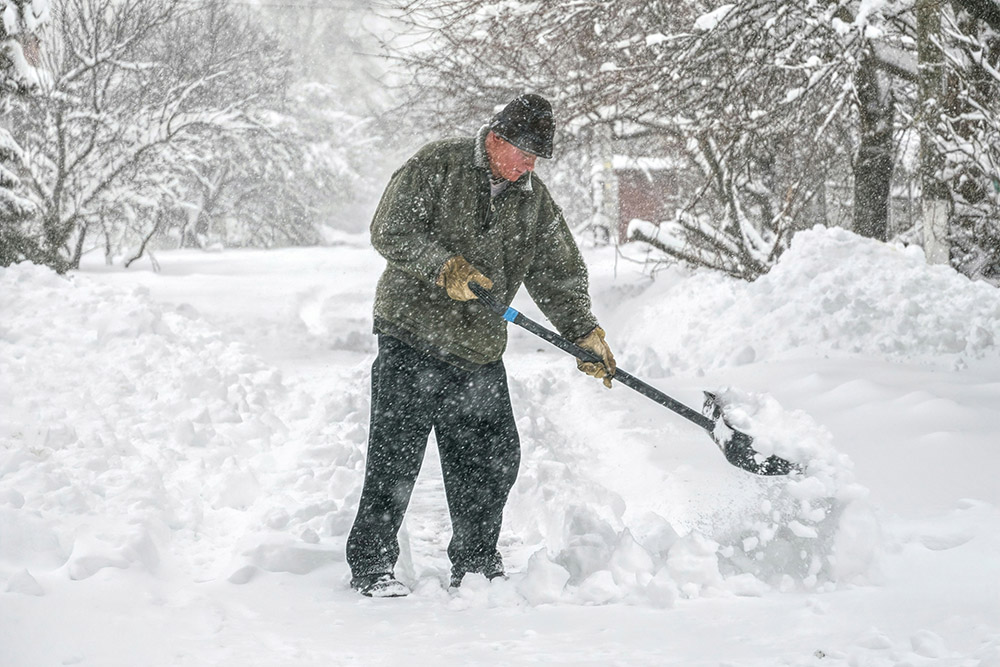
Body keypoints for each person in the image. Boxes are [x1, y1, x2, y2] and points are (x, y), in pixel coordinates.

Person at [346, 93, 616, 598]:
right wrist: (443, 267)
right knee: (395, 456)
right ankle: (372, 563)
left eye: (537, 158)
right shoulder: (439, 165)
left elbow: (558, 272)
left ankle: (474, 562)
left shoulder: (533, 200)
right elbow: (391, 230)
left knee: (492, 456)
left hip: (476, 347)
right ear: (496, 140)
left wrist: (583, 332)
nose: (529, 167)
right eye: (524, 154)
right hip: (411, 333)